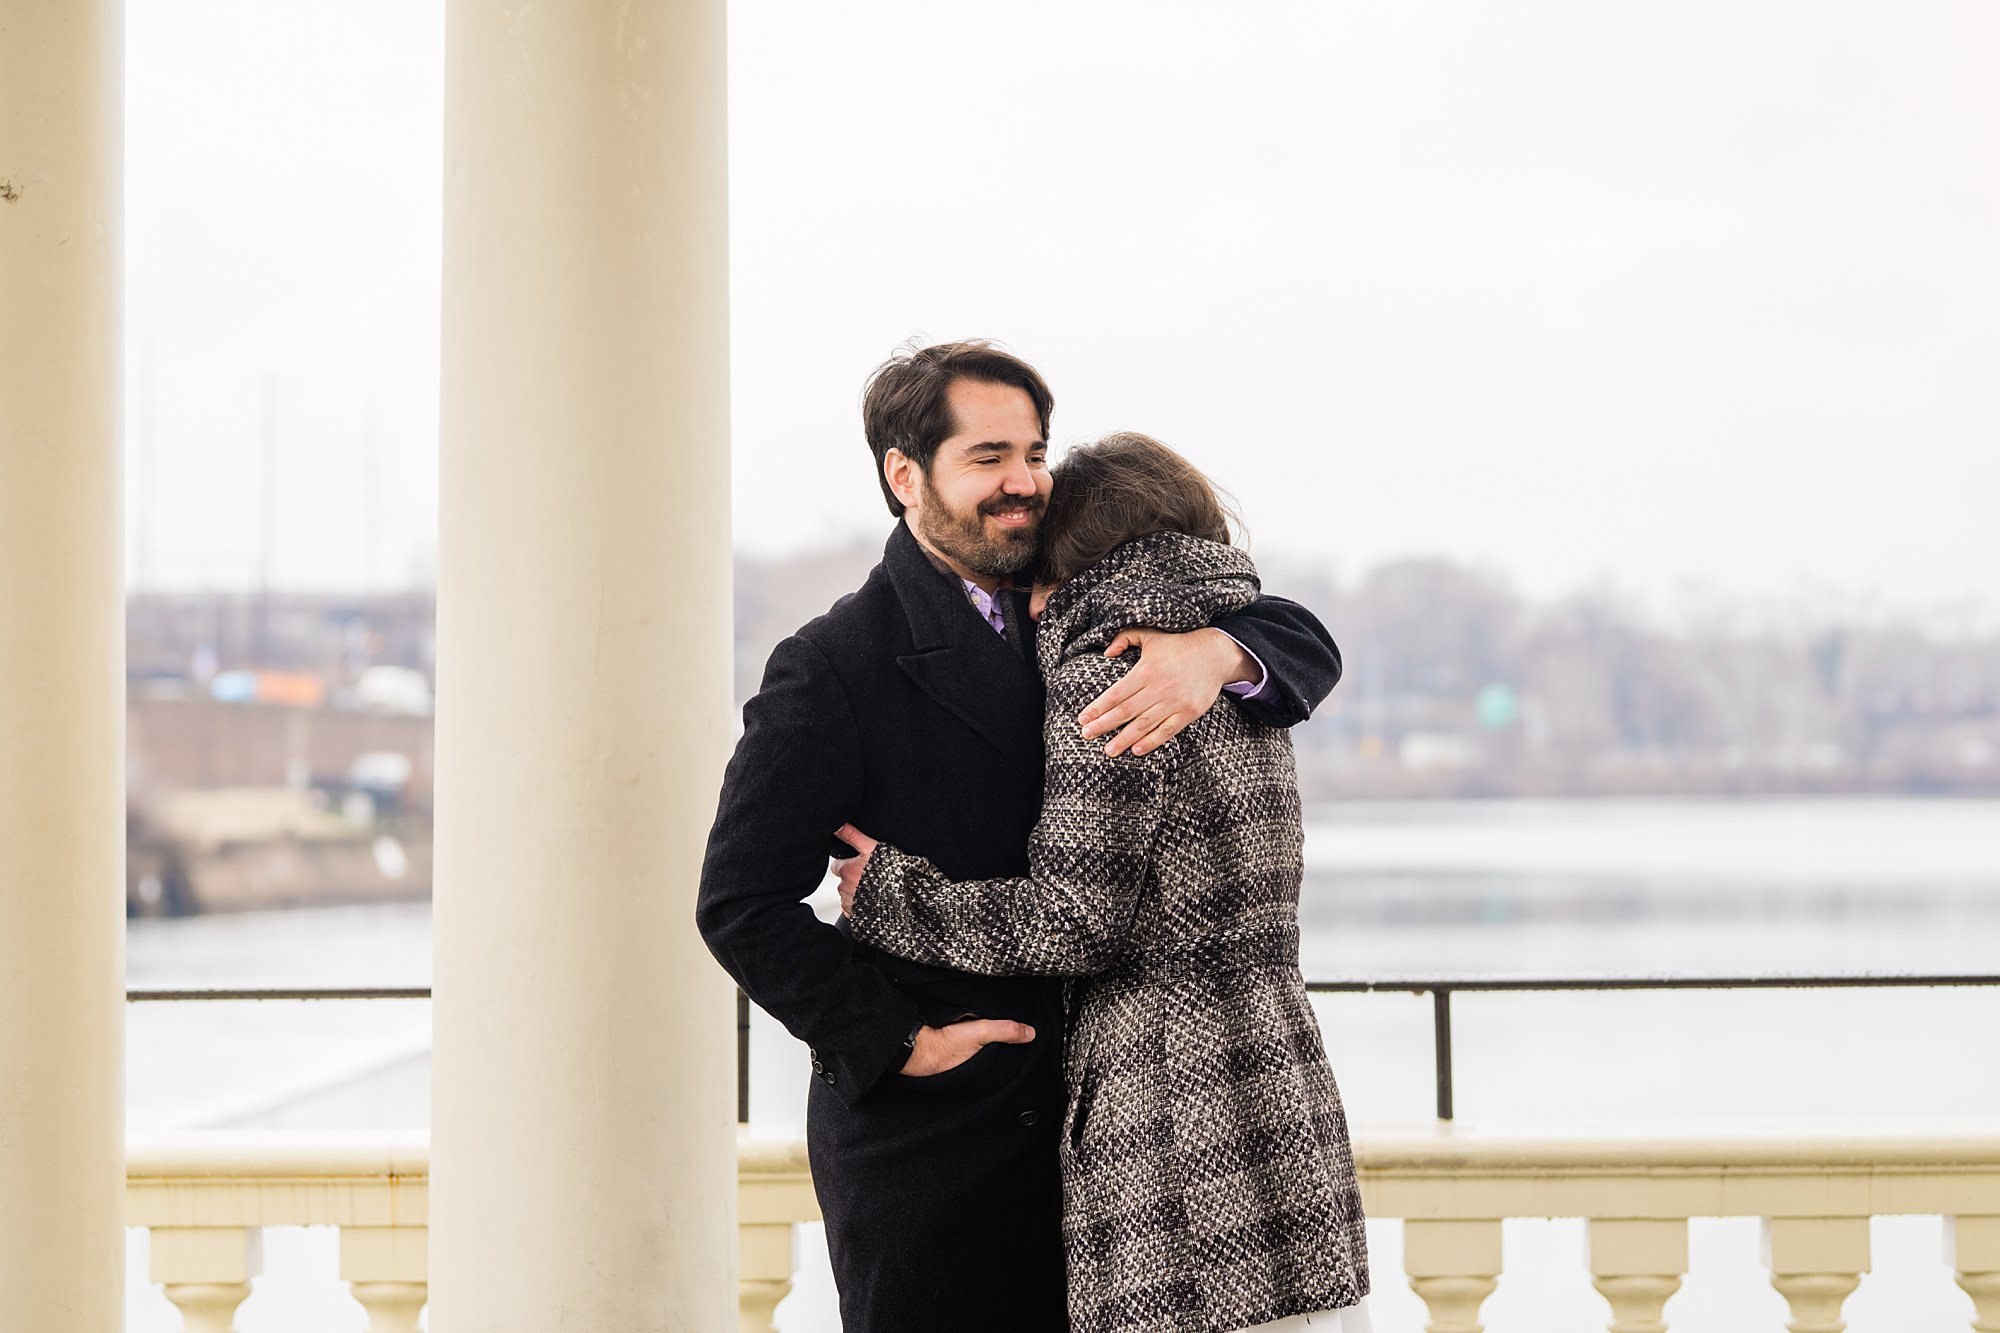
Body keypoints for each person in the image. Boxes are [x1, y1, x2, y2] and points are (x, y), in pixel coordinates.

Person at [695, 343, 1344, 1332]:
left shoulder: (1091, 599)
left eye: (1035, 452)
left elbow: (1292, 630)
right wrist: (897, 1042)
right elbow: (739, 904)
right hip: (939, 1157)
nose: (1024, 482)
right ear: (902, 474)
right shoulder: (833, 664)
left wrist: (1220, 651)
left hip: (1120, 1150)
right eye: (989, 455)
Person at [834, 432, 1371, 1333]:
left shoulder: (1112, 676)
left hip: (1170, 1109)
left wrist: (893, 893)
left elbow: (1077, 920)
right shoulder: (1222, 669)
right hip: (1277, 1077)